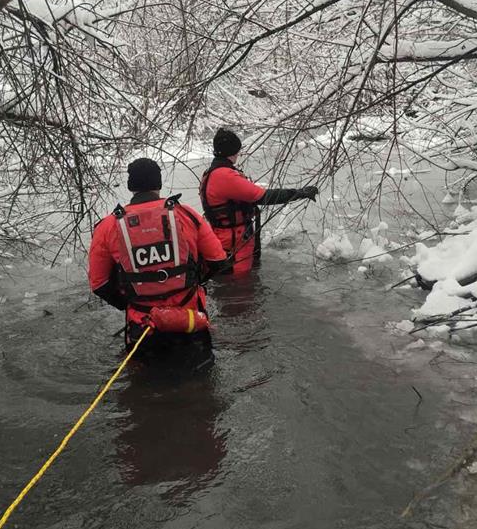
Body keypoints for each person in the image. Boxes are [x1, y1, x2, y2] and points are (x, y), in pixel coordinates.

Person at [88, 158, 228, 362]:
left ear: (130, 186)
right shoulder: (186, 215)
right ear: (159, 184)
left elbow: (99, 284)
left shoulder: (108, 226)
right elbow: (217, 260)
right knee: (202, 382)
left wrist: (130, 303)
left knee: (144, 387)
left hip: (143, 327)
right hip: (189, 322)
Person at [199, 128, 319, 274]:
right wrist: (299, 193)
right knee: (241, 287)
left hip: (224, 238)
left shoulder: (211, 173)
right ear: (232, 151)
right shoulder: (224, 176)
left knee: (231, 285)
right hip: (234, 244)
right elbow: (263, 197)